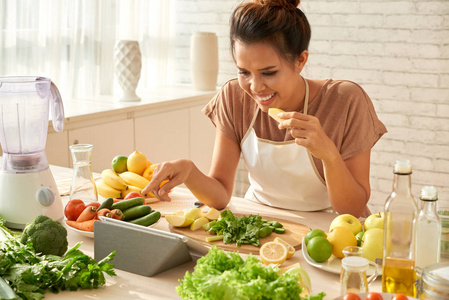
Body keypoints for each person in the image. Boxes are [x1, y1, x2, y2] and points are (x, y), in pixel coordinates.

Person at [142, 0, 387, 218]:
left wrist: (329, 155)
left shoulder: (345, 100)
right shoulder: (234, 96)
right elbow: (220, 195)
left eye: (269, 73)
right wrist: (190, 171)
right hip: (260, 221)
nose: (255, 87)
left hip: (332, 229)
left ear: (300, 60)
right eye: (243, 72)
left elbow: (353, 209)